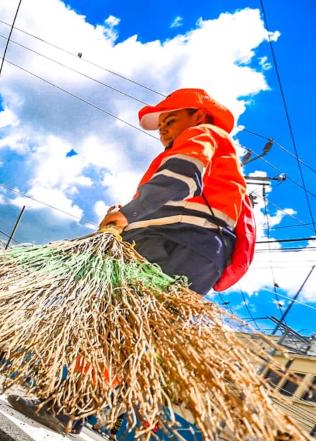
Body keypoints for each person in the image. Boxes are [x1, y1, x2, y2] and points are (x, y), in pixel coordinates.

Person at [98, 88, 249, 295]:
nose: (162, 131)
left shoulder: (202, 132)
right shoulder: (217, 156)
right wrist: (127, 216)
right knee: (149, 310)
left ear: (199, 116)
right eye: (160, 128)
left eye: (170, 122)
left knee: (118, 304)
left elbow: (181, 177)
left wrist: (128, 213)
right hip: (199, 251)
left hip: (174, 241)